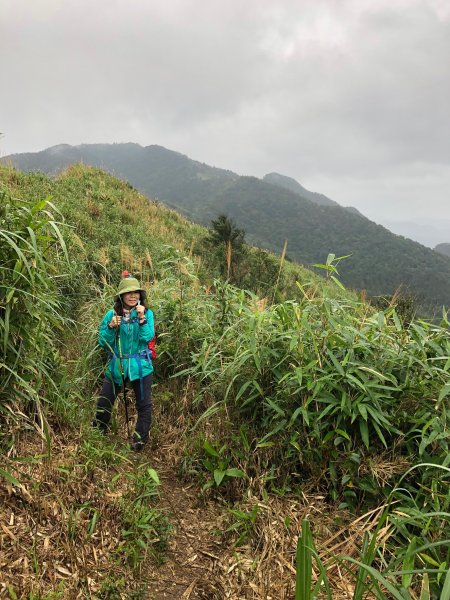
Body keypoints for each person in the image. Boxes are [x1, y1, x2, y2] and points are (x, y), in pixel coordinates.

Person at [94, 271, 155, 451]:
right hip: (117, 364)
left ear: (140, 295)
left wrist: (142, 318)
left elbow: (148, 337)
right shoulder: (112, 314)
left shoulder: (147, 314)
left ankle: (138, 443)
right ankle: (97, 435)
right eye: (129, 293)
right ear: (121, 296)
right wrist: (111, 327)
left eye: (136, 292)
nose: (133, 296)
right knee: (105, 400)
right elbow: (103, 342)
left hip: (141, 365)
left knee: (144, 405)